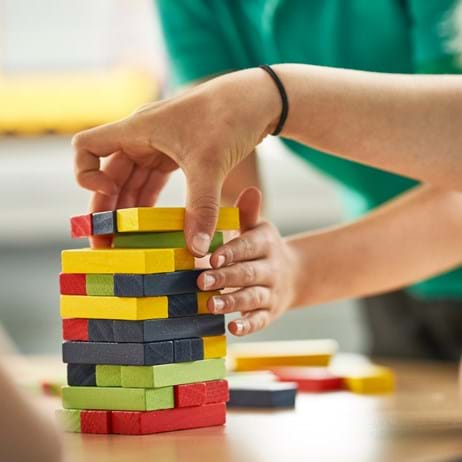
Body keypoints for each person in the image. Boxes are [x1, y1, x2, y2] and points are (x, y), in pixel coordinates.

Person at [73, 0, 462, 359]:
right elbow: (225, 185)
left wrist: (272, 98)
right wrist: (219, 261)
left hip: (400, 249)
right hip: (381, 265)